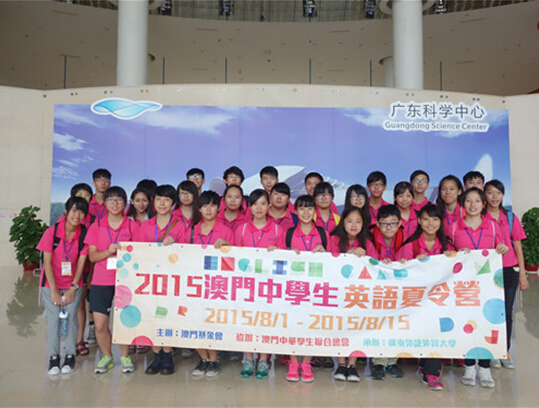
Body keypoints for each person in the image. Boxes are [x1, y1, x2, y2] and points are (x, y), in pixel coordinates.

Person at [448, 187, 509, 388]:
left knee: (486, 324)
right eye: (468, 201)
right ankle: (468, 366)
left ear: (483, 204)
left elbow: (502, 247)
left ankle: (484, 368)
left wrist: (502, 248)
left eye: (477, 201)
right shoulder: (454, 228)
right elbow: (447, 253)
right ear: (462, 204)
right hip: (464, 286)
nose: (472, 205)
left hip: (487, 286)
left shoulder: (492, 226)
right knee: (465, 324)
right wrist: (456, 254)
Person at [400, 204, 455, 391]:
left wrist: (453, 257)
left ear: (441, 221)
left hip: (440, 301)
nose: (430, 223)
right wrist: (413, 264)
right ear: (419, 221)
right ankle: (423, 362)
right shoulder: (410, 246)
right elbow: (399, 274)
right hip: (416, 301)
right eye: (425, 219)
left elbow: (459, 268)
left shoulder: (447, 247)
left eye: (435, 219)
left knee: (437, 331)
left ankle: (431, 373)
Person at [85, 186, 140, 374]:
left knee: (124, 320)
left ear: (125, 203)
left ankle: (125, 356)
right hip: (101, 280)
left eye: (119, 200)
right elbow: (92, 256)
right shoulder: (97, 226)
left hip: (126, 280)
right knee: (100, 324)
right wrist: (108, 252)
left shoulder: (133, 226)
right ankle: (107, 356)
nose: (115, 203)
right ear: (105, 203)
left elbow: (140, 254)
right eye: (110, 200)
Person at [276, 195, 329, 383]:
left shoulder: (323, 234)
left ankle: (306, 362)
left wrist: (325, 254)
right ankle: (293, 362)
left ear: (315, 211)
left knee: (311, 325)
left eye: (310, 208)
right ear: (296, 211)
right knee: (292, 325)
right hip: (293, 290)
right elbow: (277, 260)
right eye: (302, 208)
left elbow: (333, 262)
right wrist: (286, 254)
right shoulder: (288, 234)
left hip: (315, 290)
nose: (306, 212)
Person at [233, 189, 285, 379]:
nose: (259, 207)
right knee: (246, 321)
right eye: (255, 204)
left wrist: (276, 252)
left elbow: (283, 261)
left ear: (269, 205)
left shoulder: (278, 230)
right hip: (246, 285)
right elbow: (235, 257)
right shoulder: (241, 230)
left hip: (269, 286)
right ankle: (248, 358)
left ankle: (263, 359)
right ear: (249, 207)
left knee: (267, 321)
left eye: (263, 203)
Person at [137, 184, 187, 375]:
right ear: (153, 202)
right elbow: (138, 253)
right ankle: (156, 355)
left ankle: (167, 354)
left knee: (168, 316)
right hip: (149, 280)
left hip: (172, 280)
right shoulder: (145, 226)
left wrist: (176, 246)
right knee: (152, 316)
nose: (162, 203)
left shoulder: (180, 226)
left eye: (167, 200)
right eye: (159, 199)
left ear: (173, 203)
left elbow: (187, 254)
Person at [37, 197, 89, 375]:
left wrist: (73, 287)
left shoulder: (84, 234)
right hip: (50, 283)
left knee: (71, 318)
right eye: (74, 210)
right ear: (66, 211)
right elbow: (47, 262)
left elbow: (81, 263)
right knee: (54, 320)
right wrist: (53, 290)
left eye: (81, 212)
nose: (77, 215)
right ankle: (53, 357)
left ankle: (69, 355)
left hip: (73, 283)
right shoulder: (51, 232)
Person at [483, 180, 529, 369]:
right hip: (487, 272)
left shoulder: (510, 218)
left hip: (509, 269)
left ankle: (505, 351)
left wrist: (523, 274)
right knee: (489, 312)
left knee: (506, 312)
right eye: (490, 192)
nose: (494, 196)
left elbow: (518, 246)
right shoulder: (479, 217)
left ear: (503, 195)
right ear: (484, 195)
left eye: (498, 193)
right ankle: (491, 351)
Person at [189, 191, 233, 378]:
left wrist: (227, 245)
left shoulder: (226, 231)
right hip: (194, 284)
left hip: (217, 285)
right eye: (205, 205)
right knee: (194, 321)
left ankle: (213, 360)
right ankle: (203, 358)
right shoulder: (192, 231)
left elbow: (235, 260)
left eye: (212, 205)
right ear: (199, 209)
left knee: (211, 323)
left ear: (218, 208)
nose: (208, 209)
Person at [329, 206, 370, 383]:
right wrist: (347, 255)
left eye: (358, 221)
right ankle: (341, 363)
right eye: (350, 221)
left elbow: (375, 266)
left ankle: (352, 364)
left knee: (357, 327)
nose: (354, 225)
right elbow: (329, 262)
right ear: (343, 222)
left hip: (360, 294)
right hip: (339, 292)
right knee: (340, 326)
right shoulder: (333, 239)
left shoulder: (368, 242)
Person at [369, 205, 405, 380]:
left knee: (396, 323)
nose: (389, 227)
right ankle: (379, 361)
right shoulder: (370, 239)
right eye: (384, 223)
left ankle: (392, 360)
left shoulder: (406, 238)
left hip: (398, 289)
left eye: (393, 223)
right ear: (377, 224)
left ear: (399, 223)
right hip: (377, 289)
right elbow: (368, 261)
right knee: (378, 323)